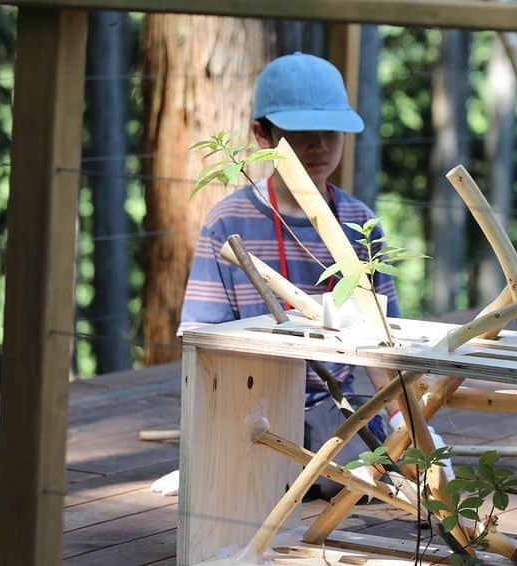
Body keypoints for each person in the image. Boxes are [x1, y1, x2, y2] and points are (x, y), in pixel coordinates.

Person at [155, 52, 432, 498]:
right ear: (262, 134)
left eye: (331, 131)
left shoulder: (360, 223)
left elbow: (387, 344)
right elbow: (200, 343)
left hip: (336, 409)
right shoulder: (229, 222)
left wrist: (413, 431)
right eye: (301, 133)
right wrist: (206, 439)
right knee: (272, 475)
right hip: (249, 405)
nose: (319, 145)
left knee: (358, 472)